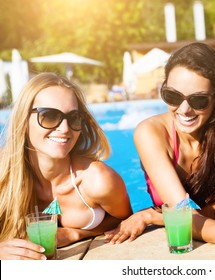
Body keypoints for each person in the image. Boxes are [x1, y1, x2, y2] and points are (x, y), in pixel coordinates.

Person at [105, 42, 215, 260]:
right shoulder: (151, 133)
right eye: (173, 96)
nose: (184, 110)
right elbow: (182, 215)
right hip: (174, 245)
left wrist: (151, 215)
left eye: (199, 100)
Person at [0, 72, 132, 260]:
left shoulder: (97, 179)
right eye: (49, 116)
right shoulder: (4, 177)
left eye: (73, 117)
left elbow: (127, 221)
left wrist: (74, 233)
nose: (64, 128)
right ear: (24, 120)